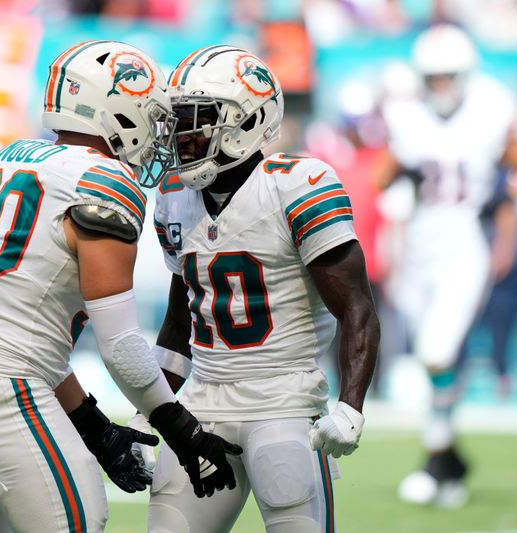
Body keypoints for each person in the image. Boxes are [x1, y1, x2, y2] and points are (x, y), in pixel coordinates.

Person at [0, 40, 242, 533]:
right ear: (117, 109)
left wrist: (93, 425)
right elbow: (121, 344)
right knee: (82, 516)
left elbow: (22, 334)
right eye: (150, 113)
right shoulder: (103, 180)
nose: (158, 130)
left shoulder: (15, 159)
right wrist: (180, 428)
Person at [144, 45, 380, 532]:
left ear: (247, 122)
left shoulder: (297, 186)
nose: (181, 134)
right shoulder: (173, 198)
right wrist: (150, 412)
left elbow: (357, 307)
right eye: (177, 119)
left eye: (198, 119)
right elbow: (178, 326)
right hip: (201, 404)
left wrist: (350, 406)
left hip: (283, 402)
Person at [376, 24, 517, 508]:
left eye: (450, 76)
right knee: (435, 360)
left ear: (465, 75)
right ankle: (448, 460)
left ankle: (435, 457)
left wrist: (502, 201)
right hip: (422, 247)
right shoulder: (407, 117)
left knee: (436, 351)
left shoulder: (489, 112)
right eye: (435, 76)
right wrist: (397, 184)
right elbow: (383, 177)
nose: (442, 85)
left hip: (465, 246)